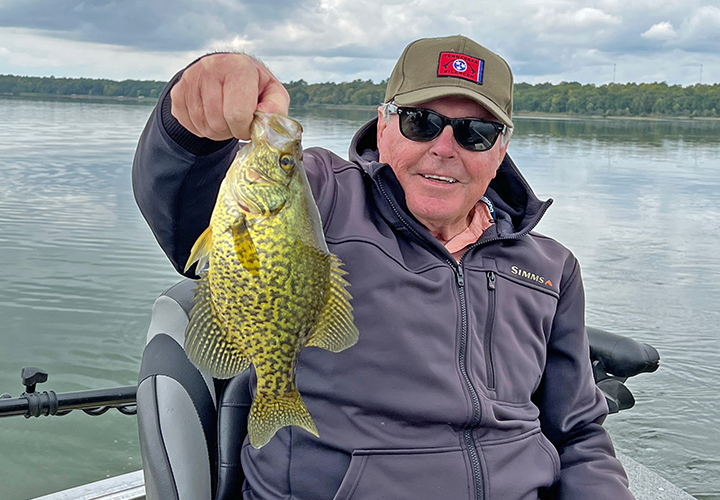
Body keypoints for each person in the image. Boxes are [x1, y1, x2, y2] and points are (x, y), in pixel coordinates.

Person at [133, 35, 634, 500]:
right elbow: (189, 211)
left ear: (501, 148)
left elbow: (579, 433)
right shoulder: (320, 196)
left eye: (476, 133)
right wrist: (193, 124)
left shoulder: (551, 268)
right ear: (384, 122)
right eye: (421, 121)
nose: (444, 147)